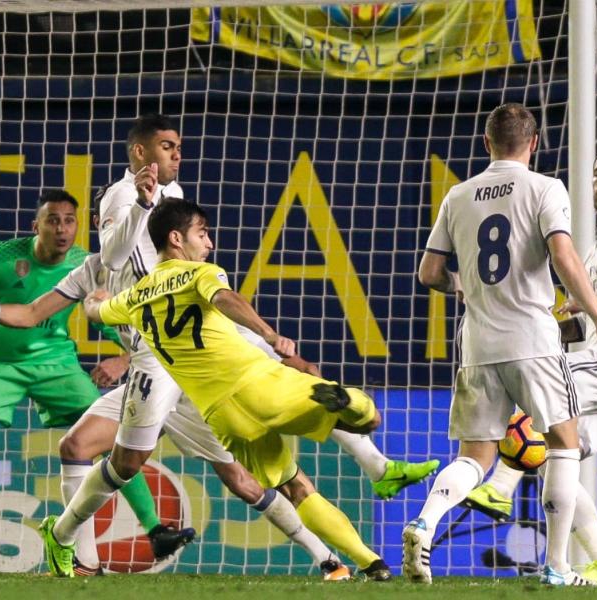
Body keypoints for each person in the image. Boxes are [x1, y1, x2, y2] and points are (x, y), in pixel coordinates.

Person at [32, 195, 391, 579]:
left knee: (285, 484)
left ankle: (361, 562)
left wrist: (94, 303)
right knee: (363, 420)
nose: (209, 243)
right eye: (202, 234)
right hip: (255, 386)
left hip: (219, 413)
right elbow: (227, 299)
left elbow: (99, 311)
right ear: (176, 239)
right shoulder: (200, 273)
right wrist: (271, 336)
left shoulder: (134, 296)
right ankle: (355, 418)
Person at [96, 114, 436, 502]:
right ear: (140, 151)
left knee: (299, 369)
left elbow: (188, 265)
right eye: (167, 147)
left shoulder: (172, 193)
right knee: (143, 461)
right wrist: (141, 203)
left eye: (178, 148)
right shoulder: (123, 194)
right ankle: (71, 530)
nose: (177, 155)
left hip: (198, 312)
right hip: (165, 336)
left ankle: (377, 467)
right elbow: (111, 256)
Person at [0, 189, 192, 572]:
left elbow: (111, 314)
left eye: (69, 220)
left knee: (115, 441)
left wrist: (124, 357)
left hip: (57, 364)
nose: (62, 228)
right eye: (53, 220)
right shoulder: (0, 257)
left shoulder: (85, 263)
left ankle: (155, 533)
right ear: (35, 225)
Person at [407, 103, 597, 586]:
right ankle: (556, 566)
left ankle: (424, 523)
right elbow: (563, 254)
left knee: (475, 457)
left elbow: (428, 274)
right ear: (534, 143)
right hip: (532, 339)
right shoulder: (545, 187)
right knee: (563, 444)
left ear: (487, 143)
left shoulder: (458, 195)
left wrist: (459, 286)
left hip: (478, 342)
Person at [462, 147, 597, 584]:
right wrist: (553, 328)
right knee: (556, 456)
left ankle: (499, 489)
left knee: (535, 398)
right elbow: (585, 327)